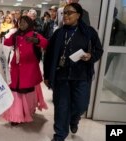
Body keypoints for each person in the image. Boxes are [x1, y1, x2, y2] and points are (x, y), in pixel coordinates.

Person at [43, 3, 103, 141]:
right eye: (64, 13)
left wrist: (90, 56)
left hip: (81, 75)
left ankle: (74, 120)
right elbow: (49, 55)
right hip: (61, 76)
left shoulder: (89, 32)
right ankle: (59, 135)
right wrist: (47, 75)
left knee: (81, 105)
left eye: (69, 12)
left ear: (79, 15)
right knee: (61, 107)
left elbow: (98, 51)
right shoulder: (59, 33)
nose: (66, 16)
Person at [2, 16, 48, 125]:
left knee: (26, 91)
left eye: (24, 22)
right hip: (16, 68)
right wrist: (6, 36)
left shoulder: (34, 34)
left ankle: (26, 111)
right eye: (20, 22)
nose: (21, 24)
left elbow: (46, 43)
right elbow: (6, 43)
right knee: (15, 91)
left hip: (29, 69)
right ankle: (16, 115)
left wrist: (36, 40)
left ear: (29, 23)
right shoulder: (16, 34)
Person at [105, 7, 126, 74]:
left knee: (108, 56)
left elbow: (116, 44)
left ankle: (102, 74)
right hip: (108, 46)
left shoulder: (120, 26)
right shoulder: (107, 23)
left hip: (115, 48)